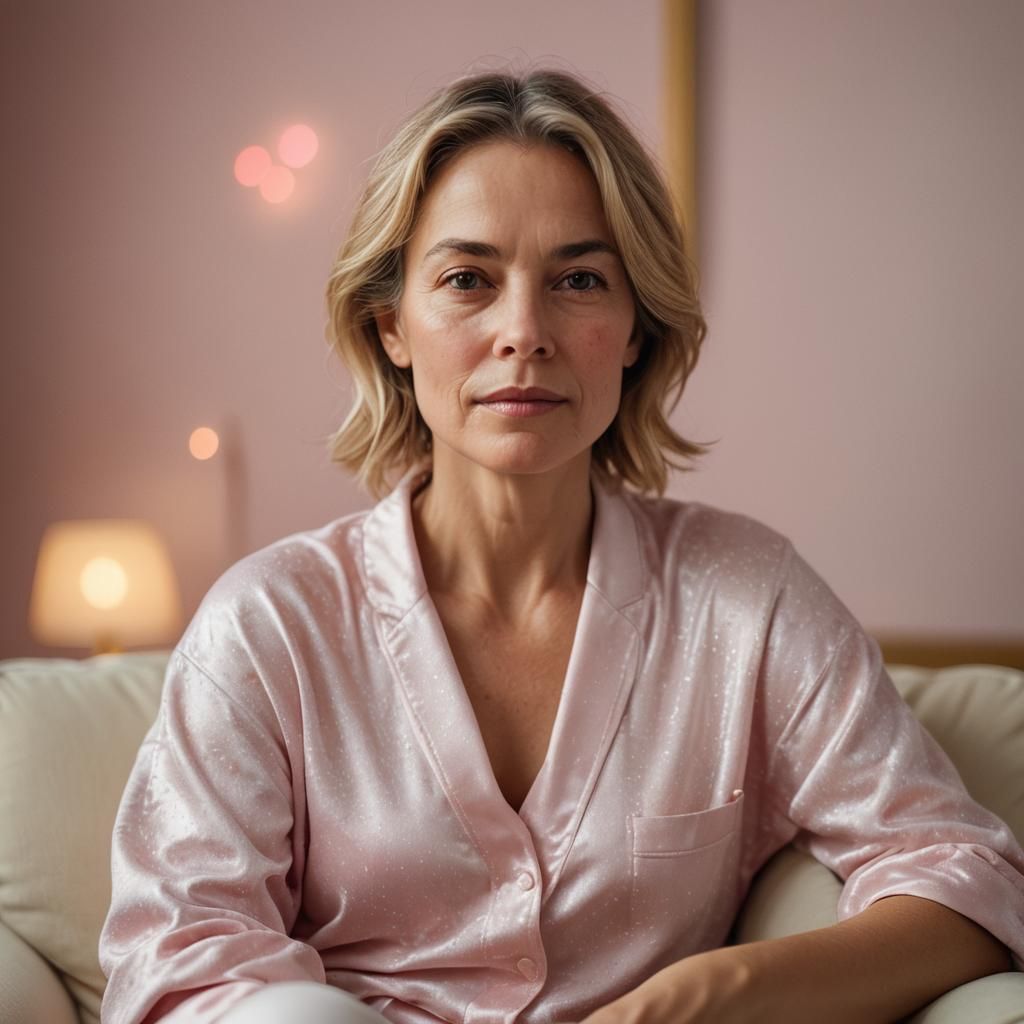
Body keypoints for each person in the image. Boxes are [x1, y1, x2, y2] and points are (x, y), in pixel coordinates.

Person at [98, 67, 1024, 1024]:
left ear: (632, 329)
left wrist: (717, 992)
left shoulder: (747, 599)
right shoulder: (269, 625)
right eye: (467, 281)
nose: (524, 333)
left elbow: (966, 875)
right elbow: (177, 961)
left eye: (579, 280)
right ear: (392, 327)